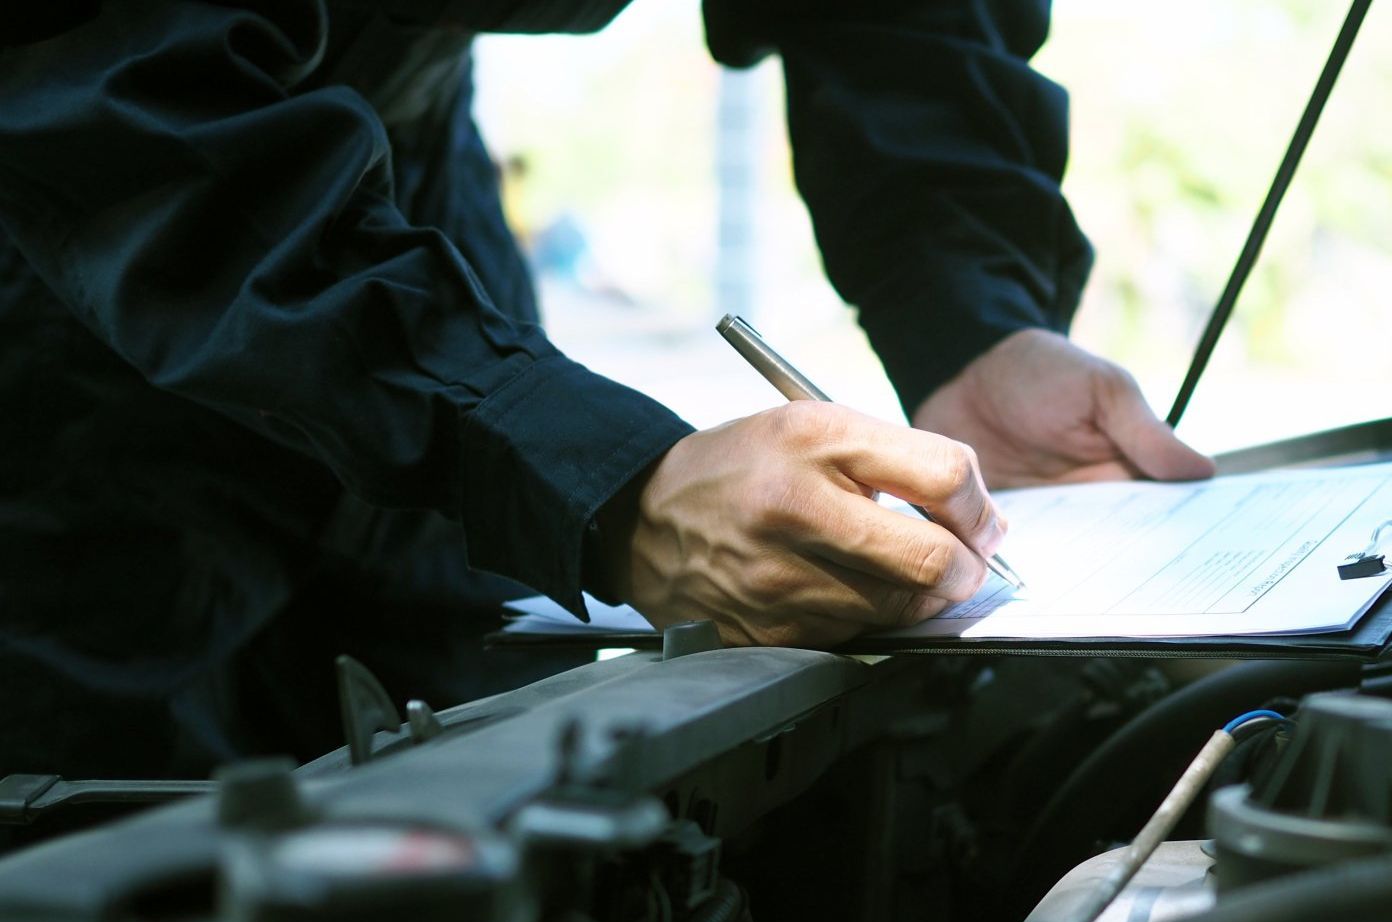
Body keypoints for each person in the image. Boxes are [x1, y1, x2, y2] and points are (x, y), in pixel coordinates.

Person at [0, 2, 1211, 779]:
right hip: (76, 225)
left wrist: (968, 317)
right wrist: (609, 483)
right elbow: (106, 88)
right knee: (118, 862)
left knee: (487, 766)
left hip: (392, 174)